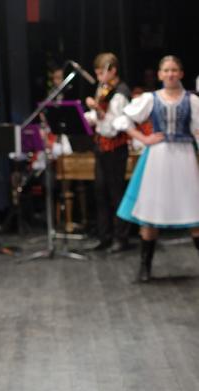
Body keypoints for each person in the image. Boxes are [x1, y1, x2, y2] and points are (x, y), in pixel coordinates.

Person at [114, 55, 199, 282]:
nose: (170, 74)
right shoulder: (150, 99)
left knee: (194, 211)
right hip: (158, 158)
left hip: (184, 158)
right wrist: (143, 138)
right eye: (166, 70)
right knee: (151, 212)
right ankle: (145, 267)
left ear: (181, 73)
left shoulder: (192, 100)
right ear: (160, 74)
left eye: (174, 70)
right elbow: (122, 119)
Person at [84, 53, 132, 253]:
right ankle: (104, 236)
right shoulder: (103, 89)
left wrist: (99, 111)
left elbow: (116, 126)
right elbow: (100, 120)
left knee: (116, 193)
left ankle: (121, 238)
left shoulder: (120, 93)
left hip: (115, 148)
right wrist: (90, 115)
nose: (98, 78)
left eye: (101, 73)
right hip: (101, 147)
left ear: (113, 71)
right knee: (100, 192)